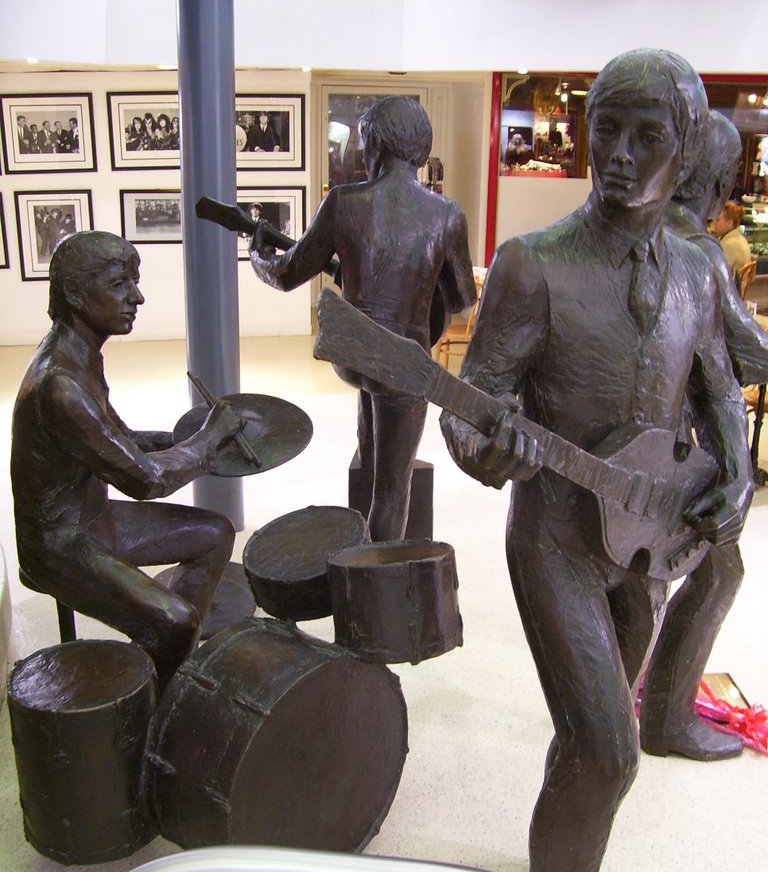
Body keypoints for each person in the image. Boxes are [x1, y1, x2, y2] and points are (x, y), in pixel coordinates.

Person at [440, 50, 753, 872]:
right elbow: (471, 409)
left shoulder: (699, 269)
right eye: (604, 128)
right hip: (559, 543)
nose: (616, 154)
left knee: (591, 732)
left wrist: (734, 474)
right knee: (611, 753)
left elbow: (721, 387)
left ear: (687, 144)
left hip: (647, 543)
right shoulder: (534, 267)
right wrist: (488, 444)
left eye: (646, 136)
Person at [11, 231, 244, 692]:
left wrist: (187, 439)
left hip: (92, 517)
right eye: (120, 285)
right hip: (59, 544)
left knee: (216, 533)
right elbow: (146, 479)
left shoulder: (80, 355)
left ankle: (166, 656)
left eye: (133, 282)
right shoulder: (60, 385)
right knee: (175, 622)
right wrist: (207, 441)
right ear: (77, 294)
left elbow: (119, 439)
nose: (137, 297)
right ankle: (165, 670)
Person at [249, 95, 476, 541]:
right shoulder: (447, 215)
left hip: (354, 358)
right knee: (392, 491)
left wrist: (258, 255)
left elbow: (288, 273)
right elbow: (461, 297)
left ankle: (366, 558)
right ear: (421, 153)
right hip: (405, 366)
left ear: (372, 147)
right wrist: (420, 307)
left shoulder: (343, 202)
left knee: (373, 444)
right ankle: (378, 583)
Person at [643, 111, 768, 762]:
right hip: (670, 452)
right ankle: (660, 716)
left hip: (637, 444)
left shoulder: (638, 235)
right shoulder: (700, 253)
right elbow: (746, 358)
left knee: (653, 576)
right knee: (715, 571)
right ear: (719, 179)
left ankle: (639, 702)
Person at [710, 200, 752, 278]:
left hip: (729, 289)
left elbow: (715, 274)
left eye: (718, 220)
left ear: (729, 223)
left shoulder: (730, 245)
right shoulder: (740, 239)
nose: (713, 223)